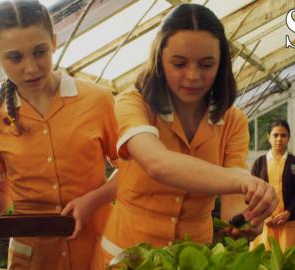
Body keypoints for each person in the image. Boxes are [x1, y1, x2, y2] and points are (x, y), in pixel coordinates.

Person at [95, 3, 278, 268]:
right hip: (126, 255)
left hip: (193, 259)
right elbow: (157, 163)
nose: (193, 76)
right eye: (179, 63)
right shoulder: (135, 104)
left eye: (206, 64)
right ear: (159, 60)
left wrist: (248, 219)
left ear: (221, 64)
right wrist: (243, 180)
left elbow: (232, 205)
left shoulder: (233, 121)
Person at [0, 1, 118, 269]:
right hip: (34, 257)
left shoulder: (97, 100)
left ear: (54, 42)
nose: (31, 68)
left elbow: (132, 168)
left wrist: (92, 201)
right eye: (15, 57)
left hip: (98, 248)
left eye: (40, 52)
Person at [249, 120, 295, 252]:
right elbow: (251, 191)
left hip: (288, 220)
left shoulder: (294, 163)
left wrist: (288, 212)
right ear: (269, 137)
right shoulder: (260, 163)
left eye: (283, 135)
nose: (279, 139)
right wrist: (262, 215)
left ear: (288, 138)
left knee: (286, 261)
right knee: (262, 259)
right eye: (275, 135)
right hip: (263, 222)